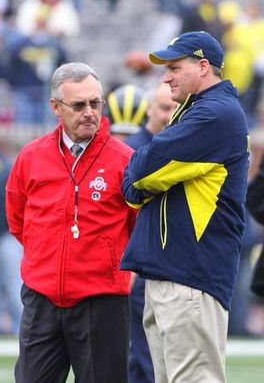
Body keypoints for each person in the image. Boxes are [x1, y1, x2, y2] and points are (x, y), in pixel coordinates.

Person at [120, 31, 250, 383]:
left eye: (174, 67)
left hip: (190, 278)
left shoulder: (215, 114)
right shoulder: (199, 110)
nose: (166, 76)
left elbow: (144, 169)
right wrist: (138, 177)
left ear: (203, 66)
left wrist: (136, 179)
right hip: (172, 275)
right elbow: (145, 168)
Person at [5, 62, 137, 383]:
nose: (89, 112)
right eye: (78, 105)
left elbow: (136, 224)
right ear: (56, 107)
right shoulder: (31, 157)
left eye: (95, 103)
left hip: (102, 300)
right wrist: (48, 259)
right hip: (42, 299)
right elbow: (18, 220)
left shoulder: (125, 159)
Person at [125, 81, 178, 383]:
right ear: (148, 109)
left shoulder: (180, 144)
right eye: (164, 107)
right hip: (140, 268)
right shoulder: (134, 148)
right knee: (143, 356)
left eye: (175, 108)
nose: (170, 115)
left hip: (167, 264)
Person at [0, 144, 23, 335]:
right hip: (0, 234)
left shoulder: (6, 167)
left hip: (5, 235)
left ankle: (23, 328)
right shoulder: (4, 167)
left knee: (14, 285)